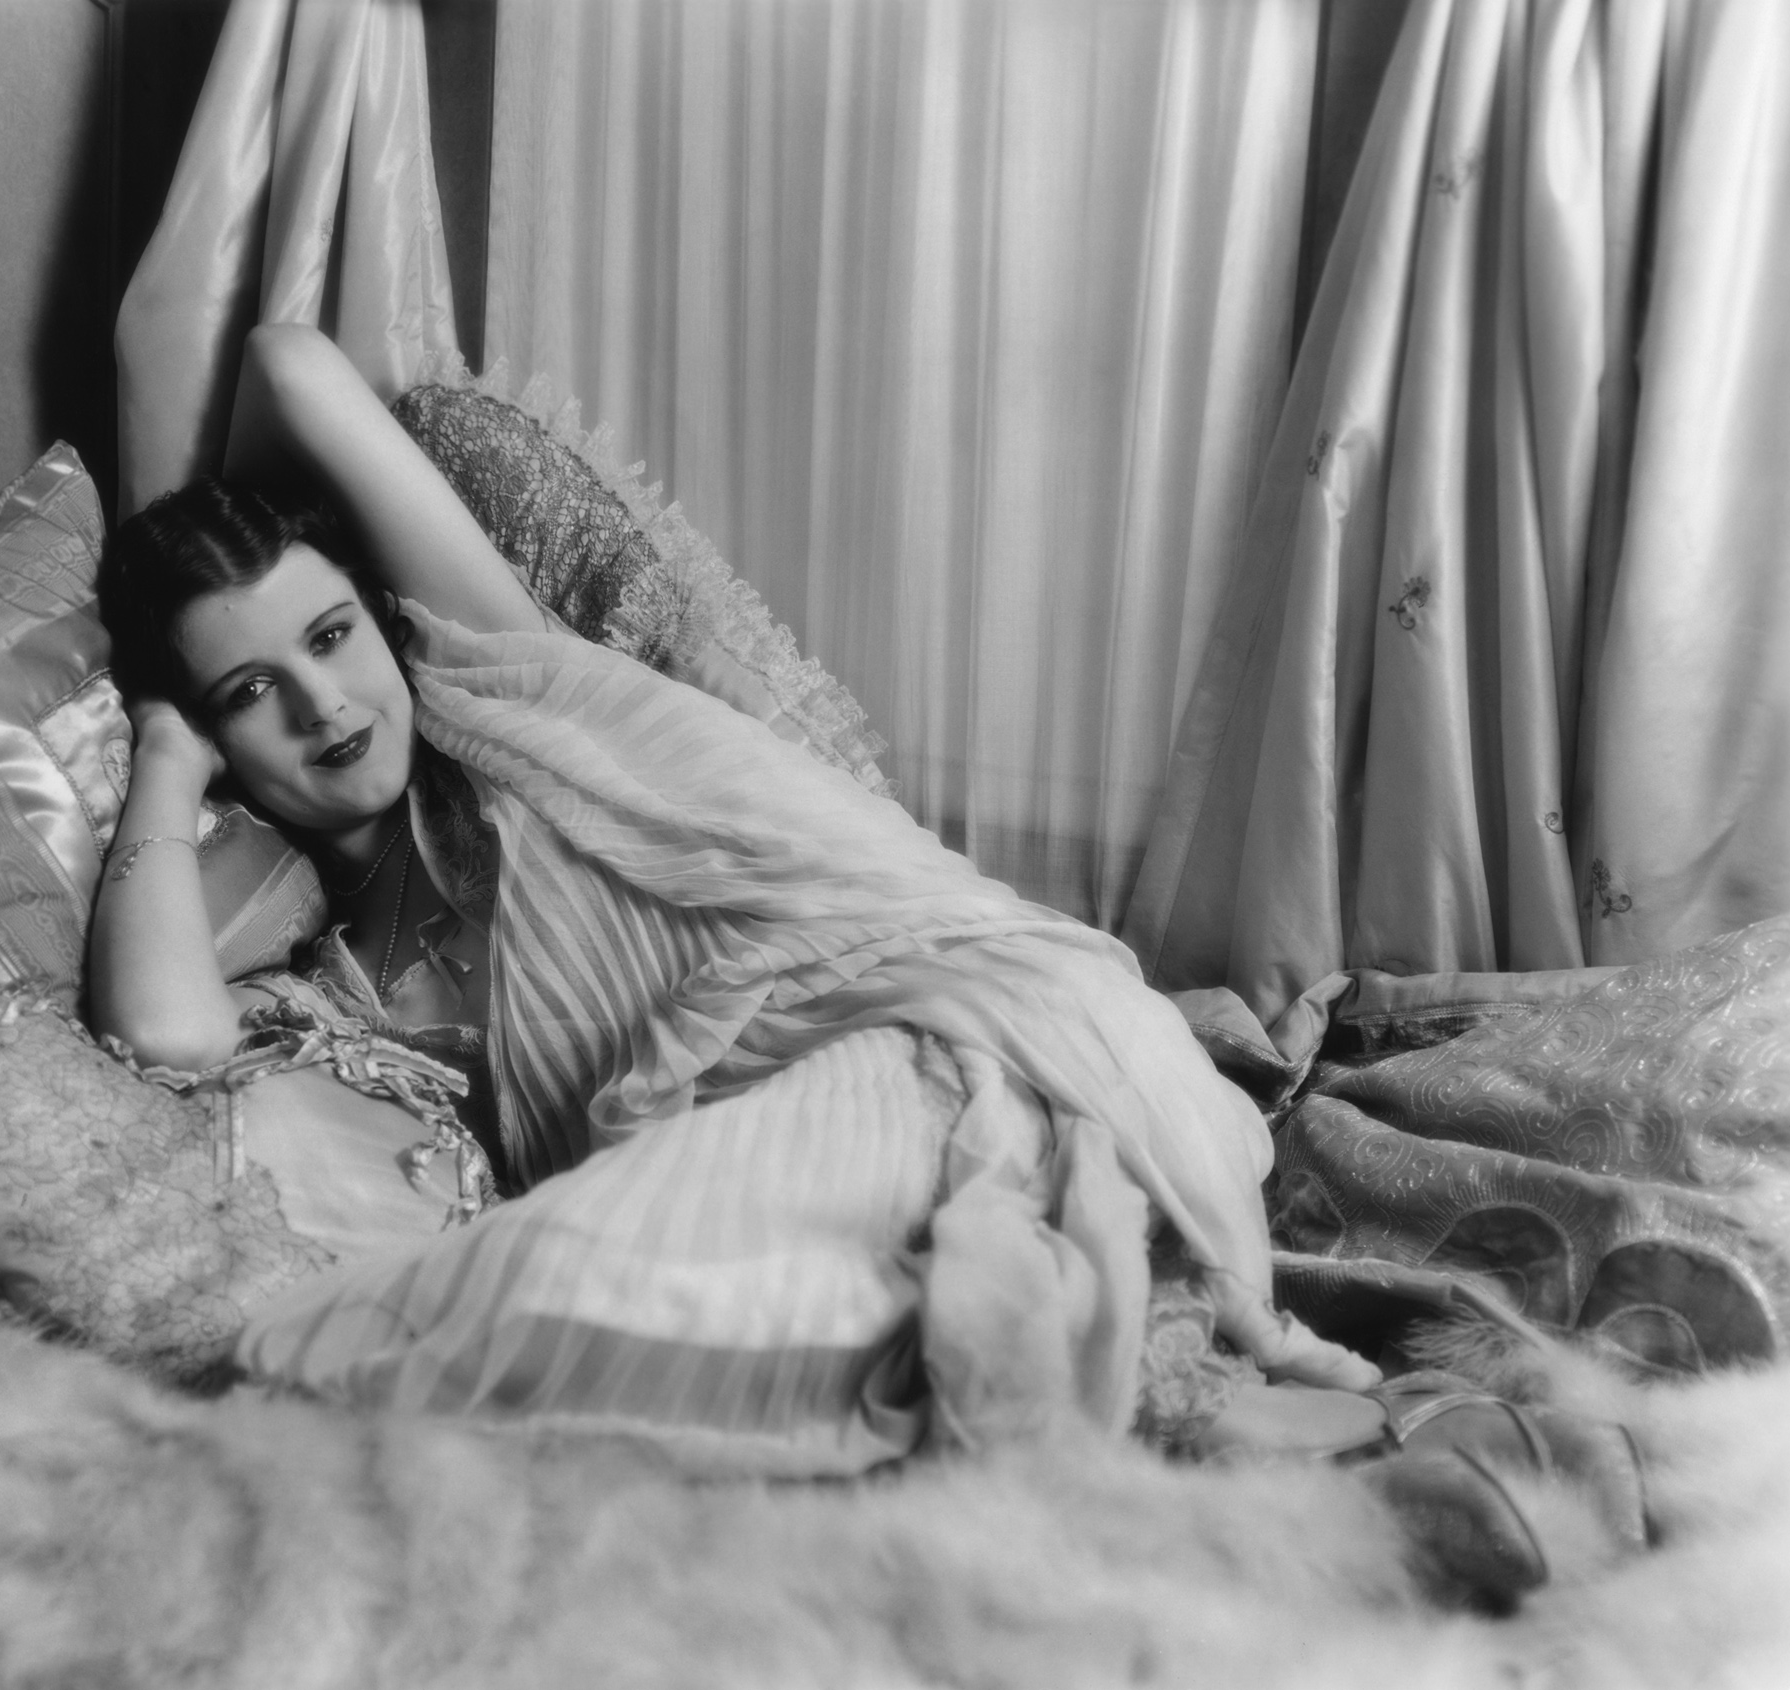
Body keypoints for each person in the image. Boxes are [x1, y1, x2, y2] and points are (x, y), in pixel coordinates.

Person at [90, 322, 1383, 1478]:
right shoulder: (333, 980)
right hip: (744, 1187)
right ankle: (1110, 1373)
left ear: (382, 617)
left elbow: (290, 364)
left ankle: (1155, 1372)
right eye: (247, 693)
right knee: (543, 1299)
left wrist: (234, 523)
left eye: (329, 636)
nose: (322, 705)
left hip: (969, 1034)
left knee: (498, 1296)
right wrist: (161, 759)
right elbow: (170, 1033)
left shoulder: (515, 698)